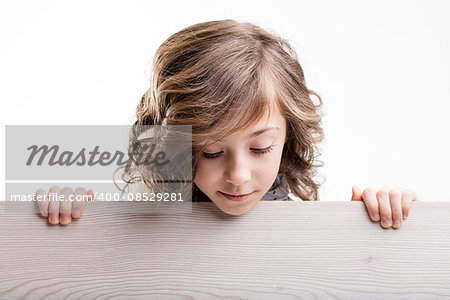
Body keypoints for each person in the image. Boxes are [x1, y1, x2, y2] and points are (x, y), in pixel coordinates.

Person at [34, 19, 419, 228]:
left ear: (288, 137)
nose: (237, 174)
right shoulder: (146, 221)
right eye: (211, 151)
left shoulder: (306, 226)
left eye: (260, 148)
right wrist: (66, 209)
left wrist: (369, 220)